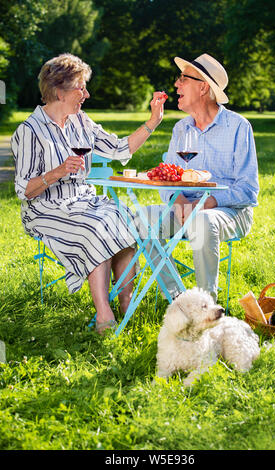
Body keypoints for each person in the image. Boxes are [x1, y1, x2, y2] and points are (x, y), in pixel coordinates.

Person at [11, 53, 167, 333]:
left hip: (82, 201)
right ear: (59, 91)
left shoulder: (81, 122)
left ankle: (125, 302)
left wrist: (153, 121)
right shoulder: (29, 131)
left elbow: (120, 150)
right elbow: (24, 190)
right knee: (97, 226)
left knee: (125, 218)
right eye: (80, 87)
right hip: (45, 208)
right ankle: (104, 316)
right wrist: (56, 172)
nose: (87, 93)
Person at [141, 53, 259, 302]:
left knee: (202, 222)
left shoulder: (238, 127)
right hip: (185, 208)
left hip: (228, 211)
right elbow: (167, 178)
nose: (176, 85)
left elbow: (248, 190)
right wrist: (178, 199)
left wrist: (205, 204)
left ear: (203, 87)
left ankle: (207, 308)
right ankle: (179, 301)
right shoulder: (181, 128)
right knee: (141, 220)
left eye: (183, 79)